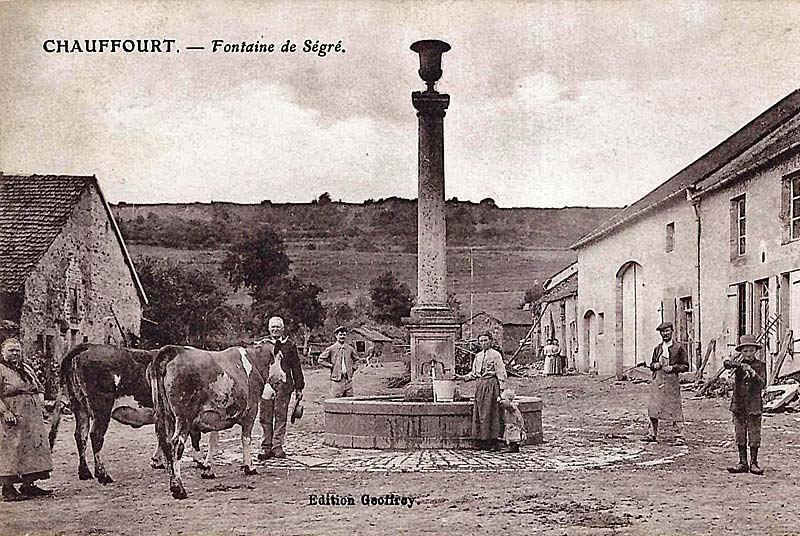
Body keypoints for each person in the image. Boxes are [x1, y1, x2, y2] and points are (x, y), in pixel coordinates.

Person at [0, 337, 53, 501]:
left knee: (33, 448)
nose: (15, 353)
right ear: (2, 352)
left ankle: (28, 485)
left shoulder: (26, 368)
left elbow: (39, 387)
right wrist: (5, 411)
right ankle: (8, 488)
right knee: (12, 448)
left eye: (17, 350)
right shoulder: (1, 369)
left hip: (32, 416)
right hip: (12, 415)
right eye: (11, 350)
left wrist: (41, 403)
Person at [257, 317, 304, 460]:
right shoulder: (262, 345)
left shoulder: (290, 345)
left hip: (284, 386)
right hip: (266, 385)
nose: (275, 329)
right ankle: (265, 446)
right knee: (265, 416)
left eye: (278, 327)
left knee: (280, 415)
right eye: (273, 327)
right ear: (268, 329)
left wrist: (299, 387)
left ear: (283, 329)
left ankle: (277, 446)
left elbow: (296, 367)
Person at [639, 321, 689, 444]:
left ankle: (679, 436)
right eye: (662, 332)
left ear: (672, 331)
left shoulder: (679, 348)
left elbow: (686, 366)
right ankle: (652, 434)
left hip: (672, 382)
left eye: (667, 331)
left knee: (675, 408)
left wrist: (673, 368)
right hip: (658, 380)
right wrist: (654, 365)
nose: (665, 334)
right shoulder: (658, 348)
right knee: (653, 407)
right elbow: (651, 365)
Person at [724, 334, 767, 475]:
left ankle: (754, 463)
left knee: (754, 434)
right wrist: (741, 365)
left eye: (751, 351)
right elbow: (726, 363)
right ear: (741, 352)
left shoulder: (761, 366)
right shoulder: (737, 365)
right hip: (739, 404)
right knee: (740, 434)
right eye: (745, 351)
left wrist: (753, 372)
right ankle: (742, 462)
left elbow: (762, 384)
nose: (748, 354)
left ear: (756, 351)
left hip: (754, 405)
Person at [456, 332, 507, 450]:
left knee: (490, 411)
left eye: (486, 340)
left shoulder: (495, 355)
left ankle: (493, 441)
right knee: (479, 411)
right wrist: (462, 377)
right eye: (481, 341)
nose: (483, 343)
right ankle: (481, 440)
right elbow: (474, 373)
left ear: (491, 341)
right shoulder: (478, 356)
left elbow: (501, 372)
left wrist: (501, 389)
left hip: (491, 384)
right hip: (480, 385)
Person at [319, 326, 359, 398]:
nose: (342, 336)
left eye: (344, 335)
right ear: (336, 336)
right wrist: (330, 366)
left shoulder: (350, 348)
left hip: (348, 380)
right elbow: (321, 360)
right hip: (336, 381)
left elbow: (357, 360)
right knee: (336, 402)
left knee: (350, 402)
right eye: (340, 335)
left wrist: (353, 369)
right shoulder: (331, 348)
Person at [498, 388, 526, 453]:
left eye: (504, 399)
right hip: (510, 423)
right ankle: (512, 446)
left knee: (513, 436)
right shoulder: (511, 405)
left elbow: (507, 405)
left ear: (509, 400)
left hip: (513, 424)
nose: (502, 401)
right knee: (510, 436)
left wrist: (500, 401)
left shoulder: (511, 406)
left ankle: (514, 447)